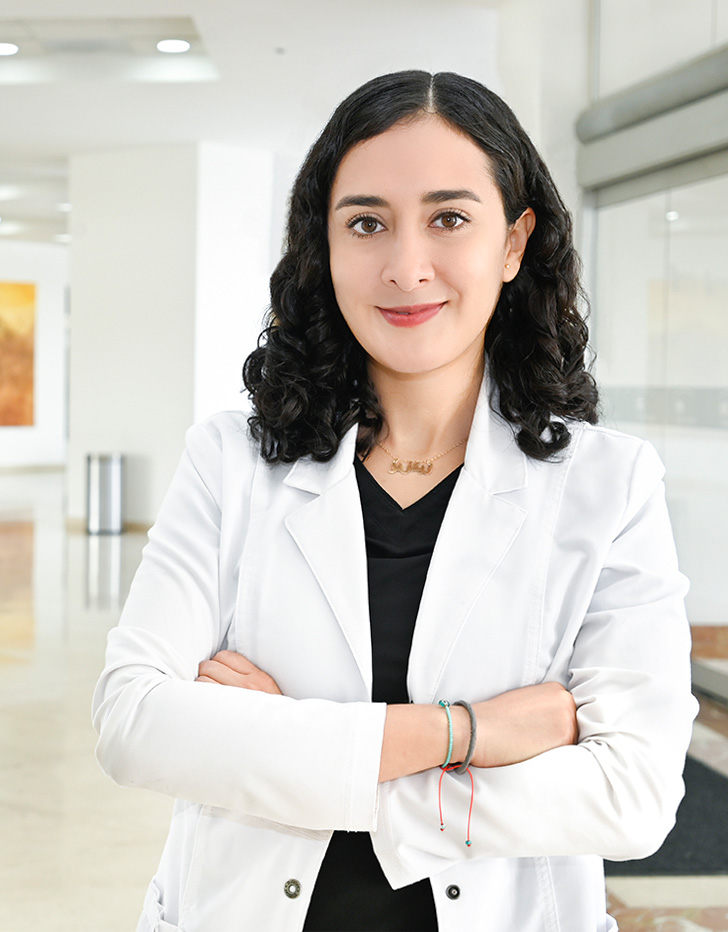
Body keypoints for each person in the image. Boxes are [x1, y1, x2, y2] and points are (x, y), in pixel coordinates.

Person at [92, 70, 697, 932]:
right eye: (366, 223)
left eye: (449, 218)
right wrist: (466, 732)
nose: (406, 266)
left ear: (515, 243)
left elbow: (633, 797)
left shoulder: (607, 487)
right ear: (324, 246)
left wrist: (302, 759)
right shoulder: (229, 461)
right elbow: (133, 724)